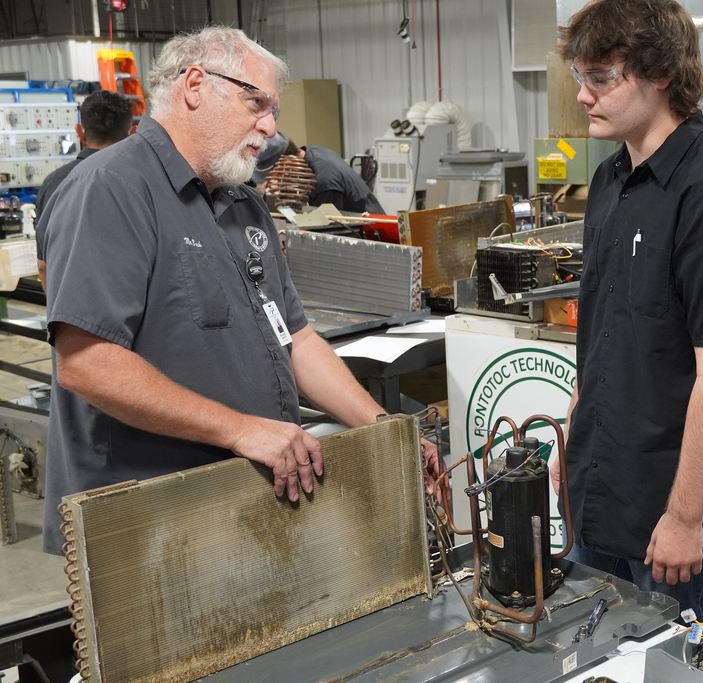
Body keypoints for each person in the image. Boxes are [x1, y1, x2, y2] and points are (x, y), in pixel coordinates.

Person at [38, 27, 436, 556]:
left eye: (272, 109)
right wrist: (243, 430)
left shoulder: (242, 205)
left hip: (243, 508)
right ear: (196, 85)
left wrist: (387, 431)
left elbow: (294, 337)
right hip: (146, 522)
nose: (270, 128)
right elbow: (88, 363)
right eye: (257, 103)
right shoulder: (112, 188)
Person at [552, 0, 703, 623]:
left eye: (601, 78)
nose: (583, 96)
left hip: (669, 511)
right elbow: (606, 338)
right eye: (580, 76)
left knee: (663, 662)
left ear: (660, 73)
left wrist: (683, 519)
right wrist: (577, 440)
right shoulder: (610, 182)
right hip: (601, 486)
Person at [34, 90, 134, 289]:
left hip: (71, 306)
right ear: (131, 133)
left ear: (80, 131)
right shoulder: (142, 179)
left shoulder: (55, 182)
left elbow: (44, 264)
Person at [253, 132, 384, 215]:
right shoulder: (313, 152)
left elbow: (326, 229)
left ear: (286, 163)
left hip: (372, 234)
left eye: (273, 174)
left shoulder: (323, 181)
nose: (271, 180)